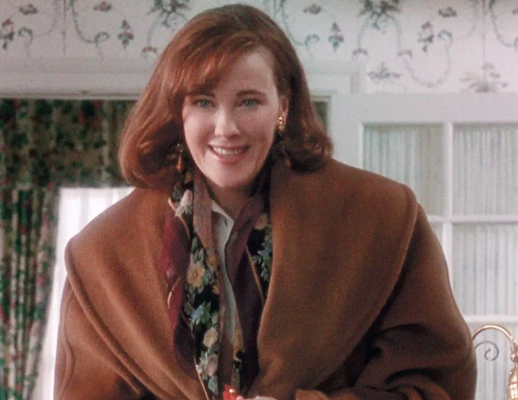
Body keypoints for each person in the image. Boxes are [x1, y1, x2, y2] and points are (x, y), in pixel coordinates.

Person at [54, 4, 476, 400]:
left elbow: (435, 384)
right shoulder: (100, 255)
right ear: (178, 112)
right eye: (203, 102)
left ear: (282, 107)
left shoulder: (381, 217)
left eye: (249, 101)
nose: (226, 127)